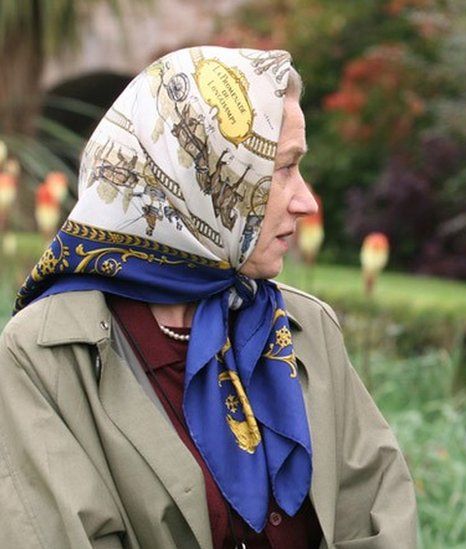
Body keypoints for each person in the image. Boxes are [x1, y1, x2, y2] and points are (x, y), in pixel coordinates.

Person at [0, 46, 417, 548]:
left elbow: (377, 515)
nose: (306, 201)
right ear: (200, 178)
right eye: (283, 169)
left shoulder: (305, 328)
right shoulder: (46, 354)